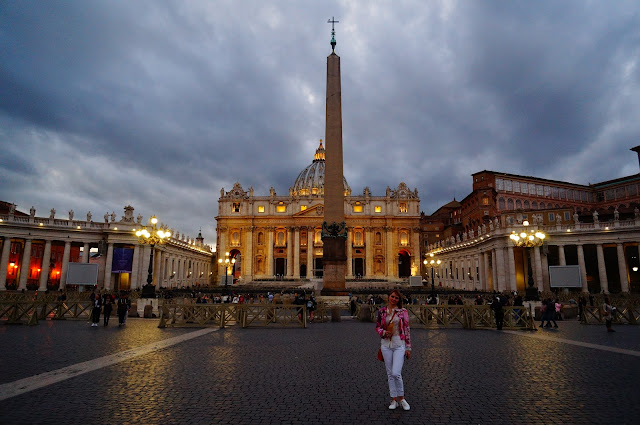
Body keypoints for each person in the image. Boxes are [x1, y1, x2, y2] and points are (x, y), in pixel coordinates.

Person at [376, 290, 412, 411]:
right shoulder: (381, 312)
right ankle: (394, 399)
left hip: (399, 344)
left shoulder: (403, 312)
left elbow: (406, 330)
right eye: (392, 296)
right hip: (386, 345)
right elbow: (377, 327)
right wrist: (383, 332)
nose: (393, 299)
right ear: (388, 297)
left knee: (396, 373)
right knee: (390, 374)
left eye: (396, 298)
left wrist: (408, 347)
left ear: (399, 300)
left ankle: (402, 398)